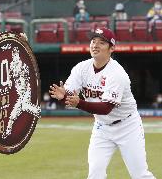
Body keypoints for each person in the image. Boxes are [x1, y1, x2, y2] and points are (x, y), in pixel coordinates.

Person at [49, 27, 156, 179]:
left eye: (101, 42)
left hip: (127, 126)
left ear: (112, 48)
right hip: (102, 127)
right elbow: (70, 94)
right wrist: (63, 95)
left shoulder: (117, 74)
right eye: (93, 41)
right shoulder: (81, 68)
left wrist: (79, 103)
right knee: (95, 174)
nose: (95, 45)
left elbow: (106, 108)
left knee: (140, 174)